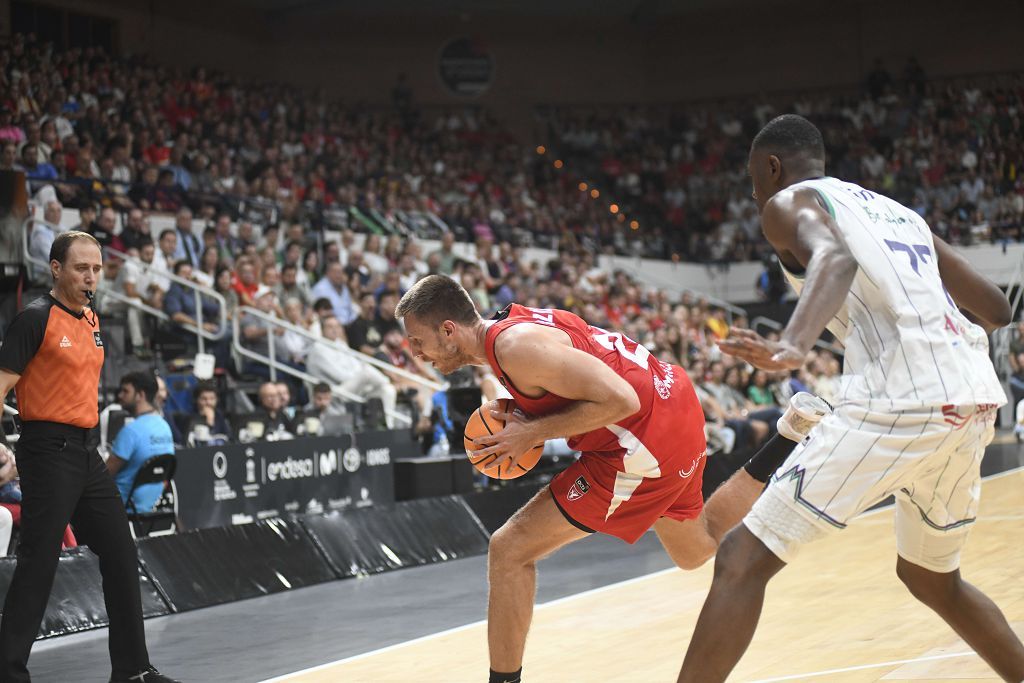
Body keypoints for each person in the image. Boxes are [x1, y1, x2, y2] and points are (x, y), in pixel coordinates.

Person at [676, 115, 1023, 682]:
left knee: (740, 558)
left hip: (902, 398)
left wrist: (791, 345)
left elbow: (833, 259)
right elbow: (998, 308)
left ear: (771, 167)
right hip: (973, 400)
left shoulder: (786, 202)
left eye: (754, 179)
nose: (757, 194)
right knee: (932, 578)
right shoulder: (900, 213)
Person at [395, 274, 830, 683]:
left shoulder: (516, 349)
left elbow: (618, 400)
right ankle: (789, 434)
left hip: (642, 442)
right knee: (696, 549)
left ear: (449, 330)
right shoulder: (508, 328)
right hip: (672, 401)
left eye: (419, 340)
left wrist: (529, 432)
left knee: (509, 550)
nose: (415, 352)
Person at [0, 231, 179, 682]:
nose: (91, 276)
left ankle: (133, 671)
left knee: (120, 552)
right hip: (46, 450)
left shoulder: (92, 320)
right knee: (38, 562)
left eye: (97, 268)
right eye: (82, 268)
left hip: (86, 451)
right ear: (56, 268)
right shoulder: (34, 319)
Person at [305, 316, 398, 428]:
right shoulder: (318, 349)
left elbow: (357, 365)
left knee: (388, 390)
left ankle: (389, 426)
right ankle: (392, 381)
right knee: (367, 372)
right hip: (333, 393)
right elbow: (340, 376)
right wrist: (361, 377)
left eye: (337, 326)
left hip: (353, 388)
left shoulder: (341, 344)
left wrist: (361, 378)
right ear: (322, 329)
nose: (334, 330)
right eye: (330, 327)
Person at [107, 372, 174, 513]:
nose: (120, 396)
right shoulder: (165, 426)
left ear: (140, 395)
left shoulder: (131, 431)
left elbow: (105, 474)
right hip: (151, 506)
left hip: (122, 507)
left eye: (126, 391)